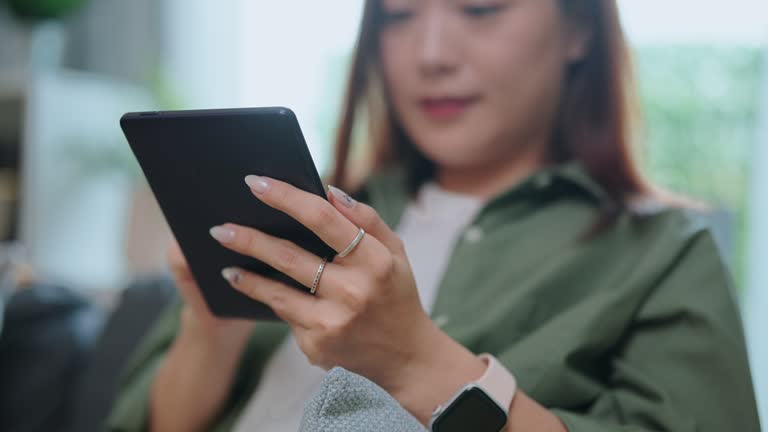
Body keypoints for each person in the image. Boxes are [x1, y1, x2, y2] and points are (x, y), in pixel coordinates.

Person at [107, 0, 761, 431]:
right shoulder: (310, 211)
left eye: (480, 8)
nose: (431, 55)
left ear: (579, 29)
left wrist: (417, 363)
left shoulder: (662, 248)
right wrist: (214, 326)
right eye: (397, 15)